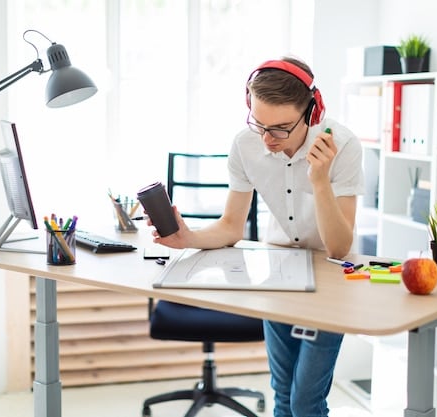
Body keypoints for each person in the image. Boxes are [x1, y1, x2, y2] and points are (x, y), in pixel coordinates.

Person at [151, 56, 364, 417]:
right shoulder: (245, 145)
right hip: (280, 272)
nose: (267, 140)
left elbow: (339, 247)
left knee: (306, 401)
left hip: (331, 277)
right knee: (282, 393)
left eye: (280, 128)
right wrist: (187, 237)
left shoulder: (342, 146)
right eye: (259, 123)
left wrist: (319, 180)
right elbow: (232, 226)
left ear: (312, 114)